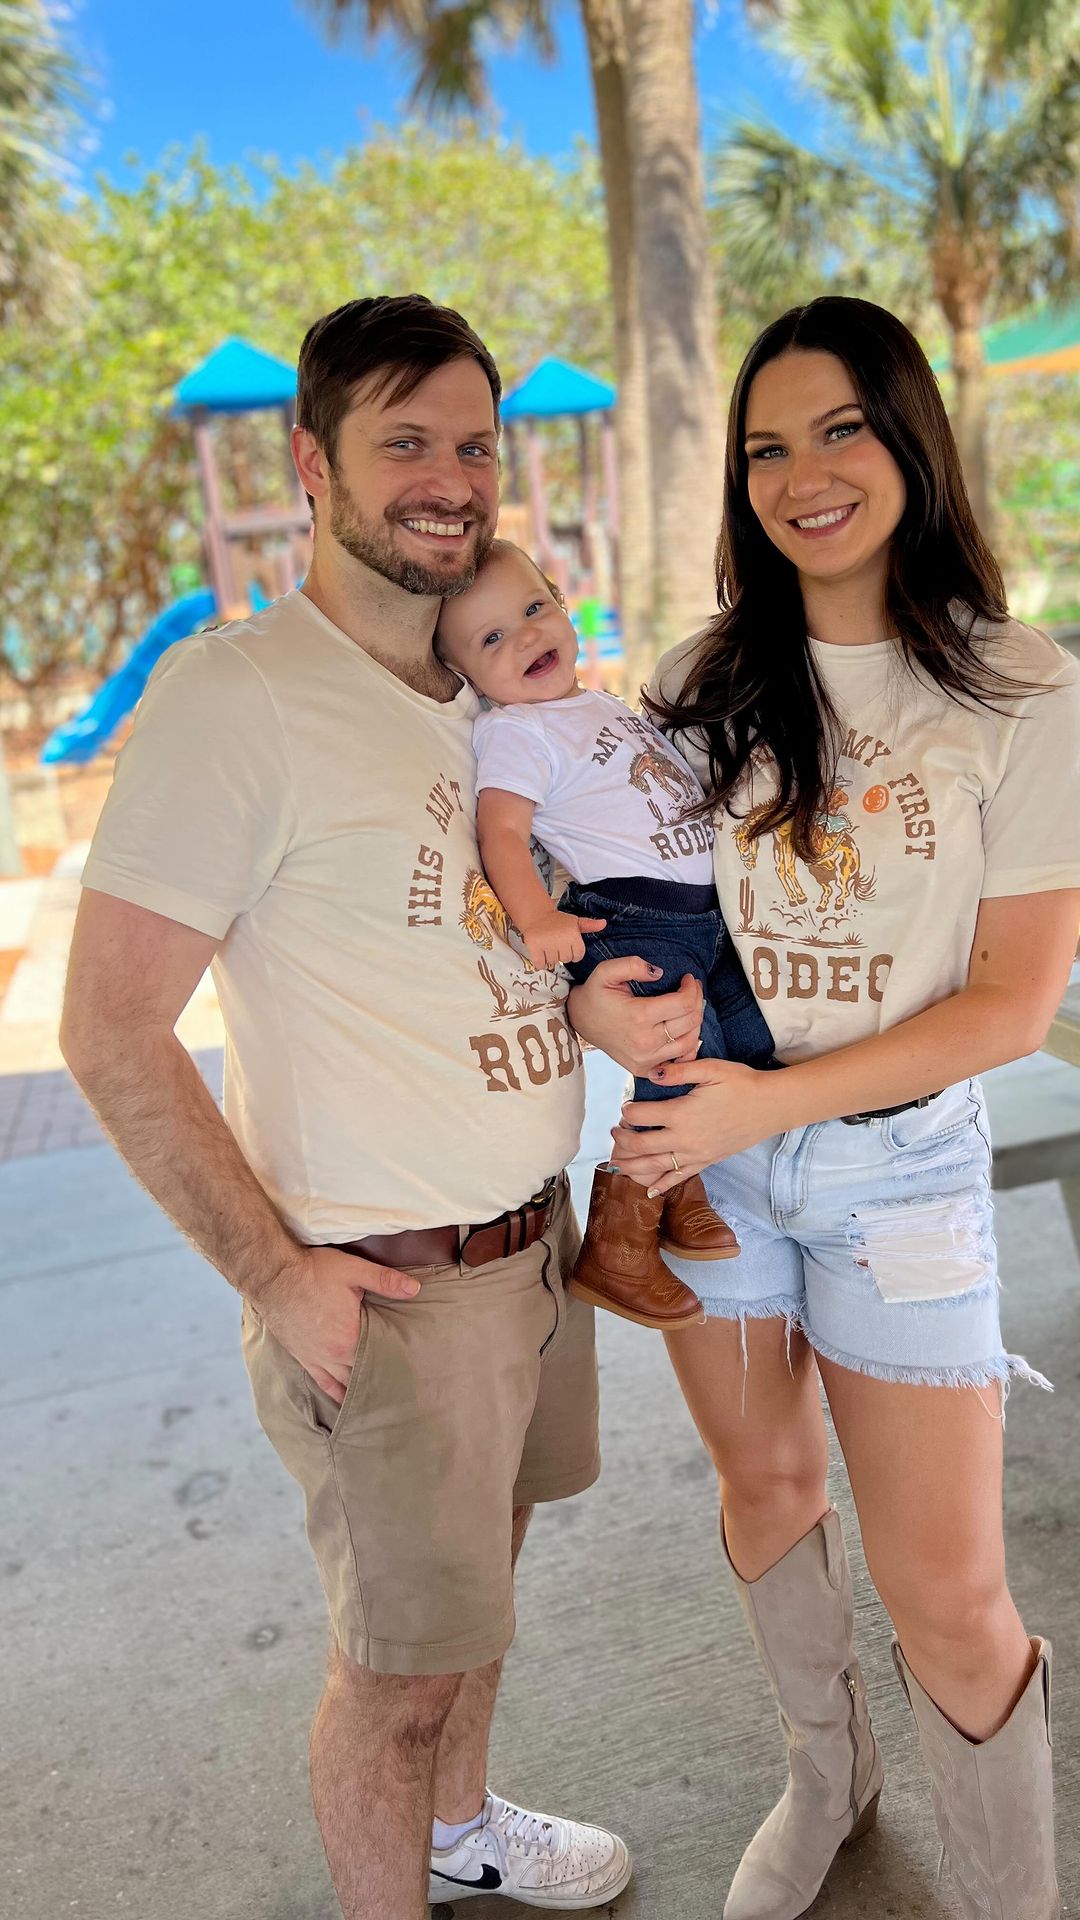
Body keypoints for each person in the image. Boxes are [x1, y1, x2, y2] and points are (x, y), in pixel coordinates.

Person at [59, 294, 636, 1920]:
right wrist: (274, 1274)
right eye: (407, 444)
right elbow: (108, 1029)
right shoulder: (237, 697)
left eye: (475, 445)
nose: (452, 480)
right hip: (386, 1292)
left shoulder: (481, 691)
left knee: (477, 1602)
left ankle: (464, 1830)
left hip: (529, 1254)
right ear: (312, 464)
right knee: (393, 1680)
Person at [567, 295, 1080, 1919]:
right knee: (768, 1490)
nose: (804, 475)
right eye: (766, 448)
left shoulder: (1020, 688)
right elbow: (623, 918)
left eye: (842, 429)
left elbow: (1008, 1005)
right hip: (703, 1165)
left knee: (952, 1596)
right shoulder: (702, 681)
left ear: (910, 438)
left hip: (898, 1173)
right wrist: (594, 1004)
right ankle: (825, 1778)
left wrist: (765, 1106)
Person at [435, 538, 776, 1334]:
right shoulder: (516, 732)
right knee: (675, 1054)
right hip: (632, 916)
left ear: (564, 606)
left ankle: (679, 1190)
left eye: (534, 608)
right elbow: (502, 833)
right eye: (491, 638)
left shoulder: (600, 706)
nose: (525, 636)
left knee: (745, 1041)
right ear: (465, 673)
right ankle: (619, 1244)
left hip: (702, 919)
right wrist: (536, 917)